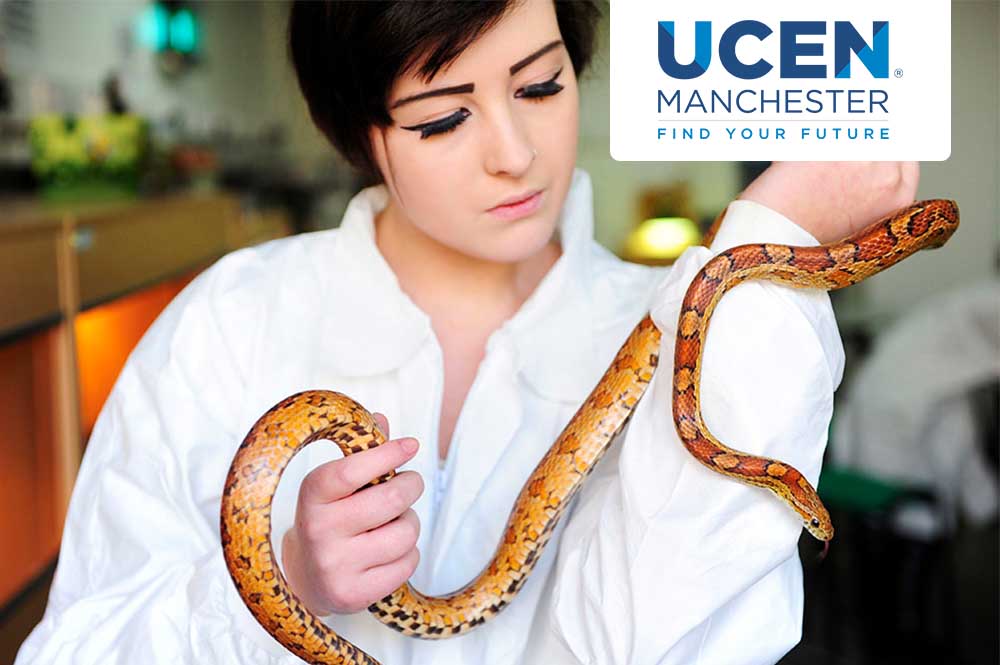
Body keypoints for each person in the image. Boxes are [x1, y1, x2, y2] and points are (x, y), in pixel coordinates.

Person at [16, 1, 920, 663]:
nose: (515, 153)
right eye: (445, 116)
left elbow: (683, 642)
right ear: (363, 135)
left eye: (540, 84)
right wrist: (280, 578)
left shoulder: (677, 324)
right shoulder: (228, 322)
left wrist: (767, 244)